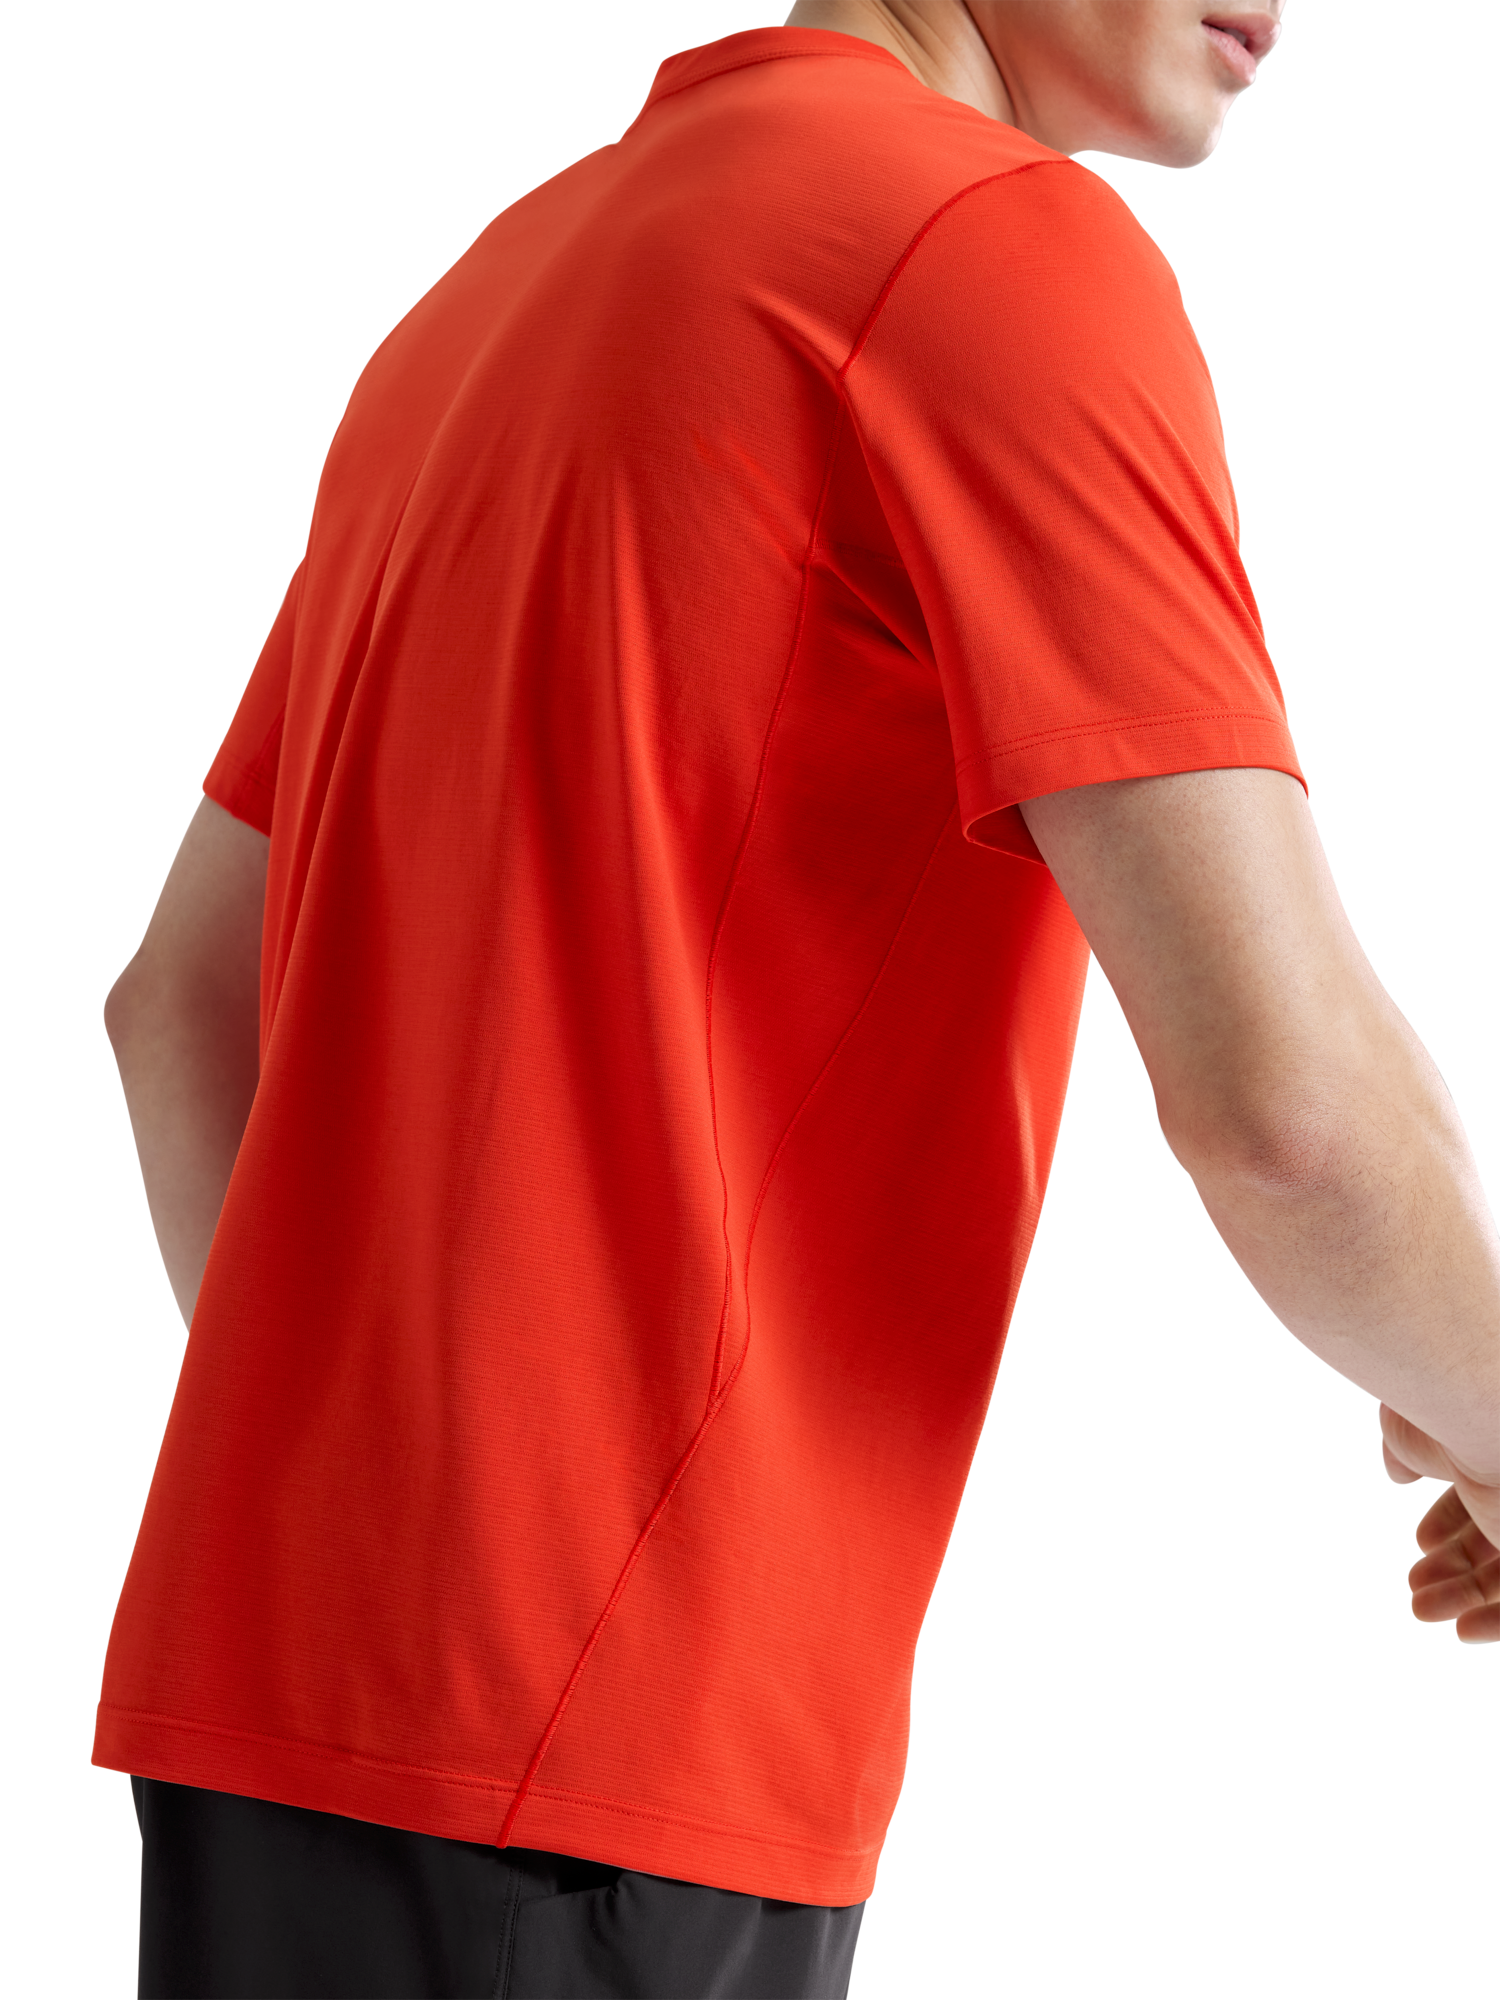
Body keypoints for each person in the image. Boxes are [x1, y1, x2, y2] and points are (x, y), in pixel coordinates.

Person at [96, 2, 1500, 1995]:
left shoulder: (495, 293)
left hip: (277, 1708)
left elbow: (177, 1009)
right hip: (594, 1758)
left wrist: (400, 1505)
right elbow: (1295, 1105)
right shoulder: (992, 252)